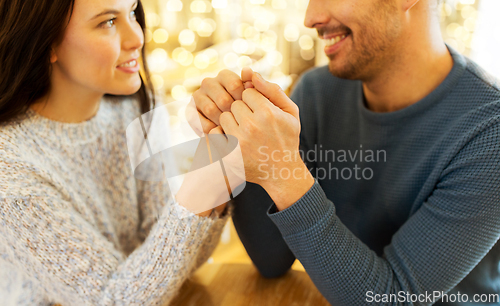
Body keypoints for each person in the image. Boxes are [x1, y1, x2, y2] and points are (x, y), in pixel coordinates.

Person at [193, 0, 500, 305]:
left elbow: (388, 300)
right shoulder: (318, 92)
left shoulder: (490, 132)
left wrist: (282, 171)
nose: (310, 18)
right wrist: (235, 136)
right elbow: (271, 259)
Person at [0, 0, 229, 305]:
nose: (137, 37)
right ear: (45, 42)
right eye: (107, 22)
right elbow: (113, 301)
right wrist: (204, 187)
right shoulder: (10, 167)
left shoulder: (136, 108)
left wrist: (218, 168)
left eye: (133, 12)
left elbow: (180, 260)